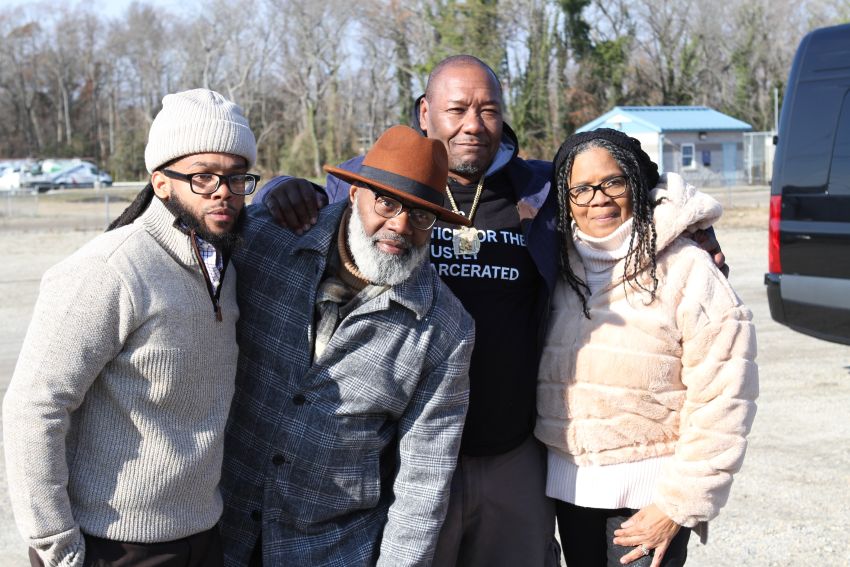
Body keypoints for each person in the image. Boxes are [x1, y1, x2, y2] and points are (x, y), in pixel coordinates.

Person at [259, 54, 729, 567]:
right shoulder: (381, 183)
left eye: (487, 110)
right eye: (456, 109)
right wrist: (275, 189)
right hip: (404, 456)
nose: (472, 125)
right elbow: (312, 205)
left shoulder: (543, 189)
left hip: (513, 451)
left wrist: (690, 224)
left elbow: (625, 182)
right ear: (425, 111)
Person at [2, 88, 259, 567]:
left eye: (236, 176)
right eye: (203, 176)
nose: (224, 190)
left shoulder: (224, 265)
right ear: (161, 183)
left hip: (203, 536)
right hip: (110, 546)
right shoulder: (111, 269)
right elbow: (32, 409)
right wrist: (57, 547)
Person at [219, 125, 476, 566]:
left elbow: (424, 479)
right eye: (387, 202)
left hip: (329, 548)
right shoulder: (265, 241)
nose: (400, 226)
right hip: (219, 527)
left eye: (421, 216)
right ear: (355, 191)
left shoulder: (445, 329)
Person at [535, 128, 759, 566]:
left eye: (613, 181)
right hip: (570, 492)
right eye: (580, 188)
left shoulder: (686, 268)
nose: (597, 198)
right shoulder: (557, 266)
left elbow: (724, 395)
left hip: (651, 500)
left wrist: (679, 502)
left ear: (637, 182)